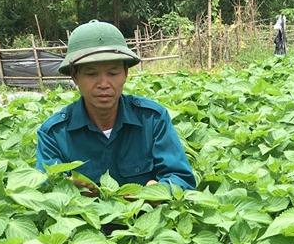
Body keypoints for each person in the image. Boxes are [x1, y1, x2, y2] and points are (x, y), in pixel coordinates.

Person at [35, 20, 195, 194]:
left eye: (113, 73)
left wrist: (161, 190)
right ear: (75, 76)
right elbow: (45, 186)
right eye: (91, 73)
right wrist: (65, 187)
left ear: (125, 73)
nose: (104, 84)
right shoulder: (55, 134)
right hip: (84, 218)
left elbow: (181, 178)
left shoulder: (153, 120)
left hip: (144, 216)